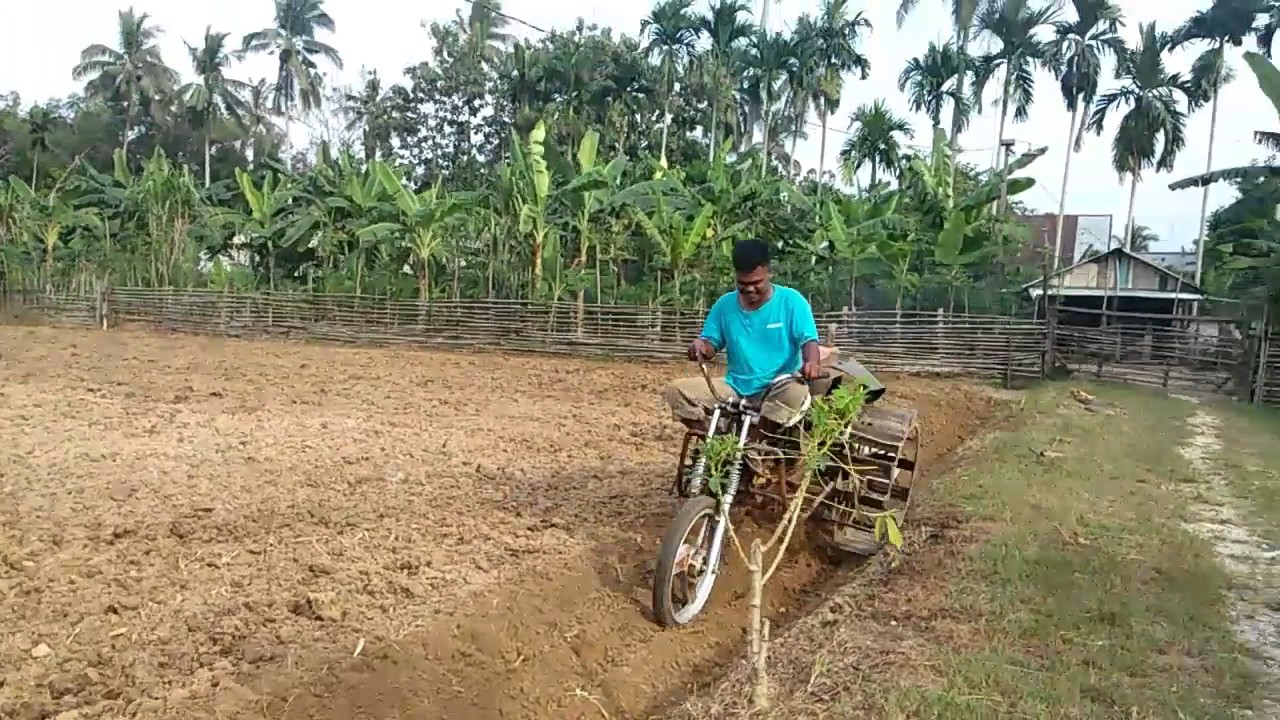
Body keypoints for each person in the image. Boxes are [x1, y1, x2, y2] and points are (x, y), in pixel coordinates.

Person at [663, 238, 823, 429]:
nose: (749, 288)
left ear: (768, 272)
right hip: (735, 387)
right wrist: (700, 346)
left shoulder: (792, 301)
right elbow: (710, 345)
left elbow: (809, 340)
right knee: (677, 391)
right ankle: (715, 442)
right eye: (742, 283)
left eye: (756, 282)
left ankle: (755, 445)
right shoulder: (724, 305)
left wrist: (811, 363)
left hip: (779, 386)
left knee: (796, 393)